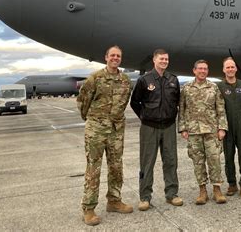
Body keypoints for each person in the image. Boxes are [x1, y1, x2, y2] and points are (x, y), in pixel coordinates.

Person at [77, 45, 133, 226]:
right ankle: (89, 208)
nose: (115, 58)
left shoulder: (125, 80)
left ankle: (114, 201)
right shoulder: (95, 78)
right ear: (106, 57)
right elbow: (83, 101)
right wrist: (93, 120)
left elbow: (124, 103)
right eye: (112, 55)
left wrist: (114, 119)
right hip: (96, 130)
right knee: (94, 168)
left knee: (116, 166)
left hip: (116, 130)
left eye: (118, 56)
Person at [130, 49, 183, 211]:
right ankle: (145, 197)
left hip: (168, 126)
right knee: (147, 163)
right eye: (161, 59)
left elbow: (177, 102)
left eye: (166, 59)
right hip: (149, 127)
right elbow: (135, 102)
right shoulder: (144, 80)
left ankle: (172, 194)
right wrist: (145, 117)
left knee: (171, 161)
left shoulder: (173, 80)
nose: (164, 61)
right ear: (154, 60)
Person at [179, 60, 228, 204]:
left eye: (205, 69)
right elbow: (182, 109)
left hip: (211, 130)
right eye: (200, 69)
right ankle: (202, 191)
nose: (202, 71)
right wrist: (183, 128)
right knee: (198, 162)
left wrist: (222, 128)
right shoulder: (187, 88)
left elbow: (220, 108)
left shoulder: (213, 87)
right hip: (193, 131)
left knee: (214, 160)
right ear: (194, 71)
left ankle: (217, 190)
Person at [217, 57, 241, 199]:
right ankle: (232, 184)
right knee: (228, 156)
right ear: (224, 70)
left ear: (236, 69)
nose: (230, 69)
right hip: (226, 126)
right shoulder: (219, 87)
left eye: (232, 67)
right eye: (228, 67)